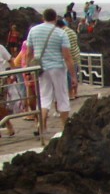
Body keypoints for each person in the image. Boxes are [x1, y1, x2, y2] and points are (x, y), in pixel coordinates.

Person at [25, 8, 75, 136]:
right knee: (62, 97)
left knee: (44, 97)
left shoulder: (33, 31)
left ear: (43, 17)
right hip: (58, 68)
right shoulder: (61, 33)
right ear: (56, 18)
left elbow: (29, 53)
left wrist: (28, 69)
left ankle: (42, 126)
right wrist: (74, 76)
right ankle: (65, 128)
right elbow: (67, 57)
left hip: (41, 69)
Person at [57, 18, 80, 99]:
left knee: (68, 77)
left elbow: (66, 48)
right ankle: (76, 92)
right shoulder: (72, 31)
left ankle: (70, 94)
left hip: (69, 58)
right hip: (76, 56)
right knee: (75, 76)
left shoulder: (63, 33)